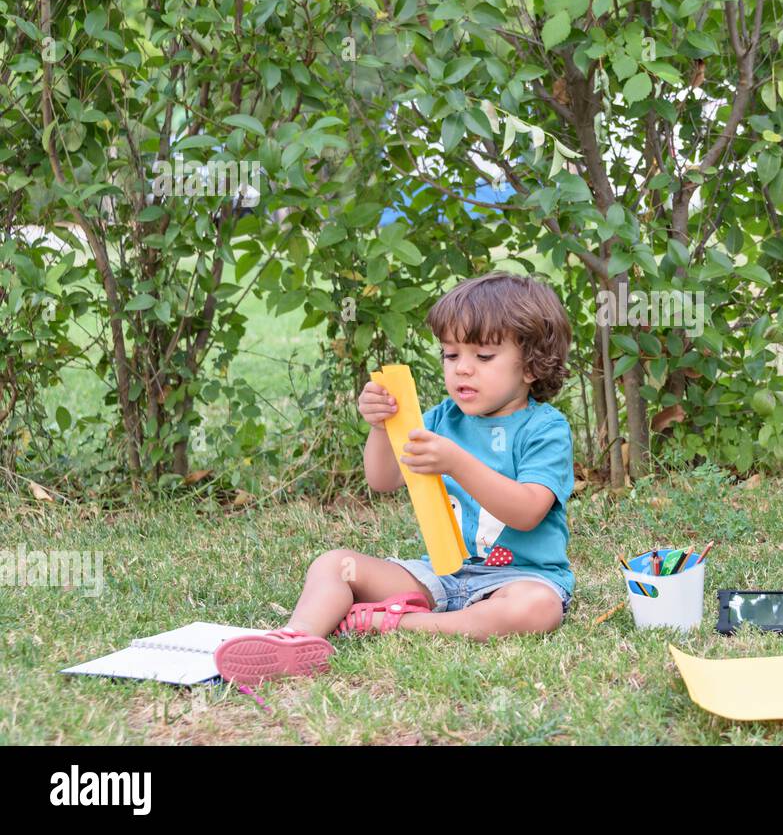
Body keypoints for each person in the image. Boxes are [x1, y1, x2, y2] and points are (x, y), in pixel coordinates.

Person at [216, 271, 576, 684]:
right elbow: (383, 480)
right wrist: (380, 427)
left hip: (520, 578)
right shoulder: (442, 419)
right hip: (439, 575)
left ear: (531, 365)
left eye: (483, 356)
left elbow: (528, 511)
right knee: (337, 564)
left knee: (536, 610)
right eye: (450, 354)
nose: (462, 370)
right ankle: (295, 639)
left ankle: (396, 623)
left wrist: (456, 462)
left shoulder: (544, 428)